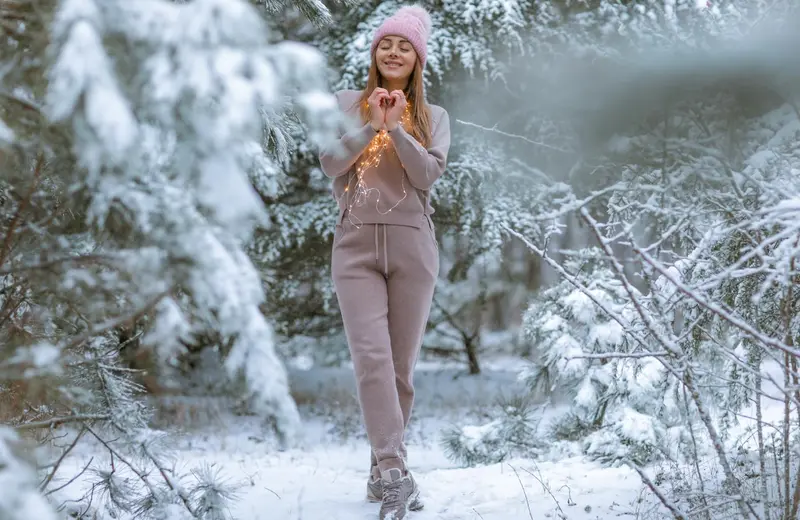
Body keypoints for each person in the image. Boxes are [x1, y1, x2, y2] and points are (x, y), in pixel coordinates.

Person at [318, 4, 450, 519]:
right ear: (374, 51)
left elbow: (426, 176)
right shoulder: (346, 104)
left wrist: (395, 129)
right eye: (385, 44)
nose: (393, 52)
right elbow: (329, 160)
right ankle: (395, 471)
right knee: (370, 360)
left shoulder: (433, 117)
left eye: (405, 46)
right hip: (354, 247)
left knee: (399, 370)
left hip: (413, 246)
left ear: (417, 58)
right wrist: (370, 123)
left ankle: (380, 473)